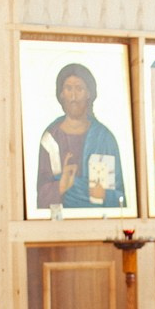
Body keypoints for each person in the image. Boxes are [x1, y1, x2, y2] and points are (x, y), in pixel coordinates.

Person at [36, 63, 125, 209]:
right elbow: (41, 195)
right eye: (68, 88)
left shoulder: (104, 138)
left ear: (89, 93)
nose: (73, 96)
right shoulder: (51, 139)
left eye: (79, 88)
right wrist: (61, 186)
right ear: (61, 94)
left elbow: (121, 195)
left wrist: (104, 195)